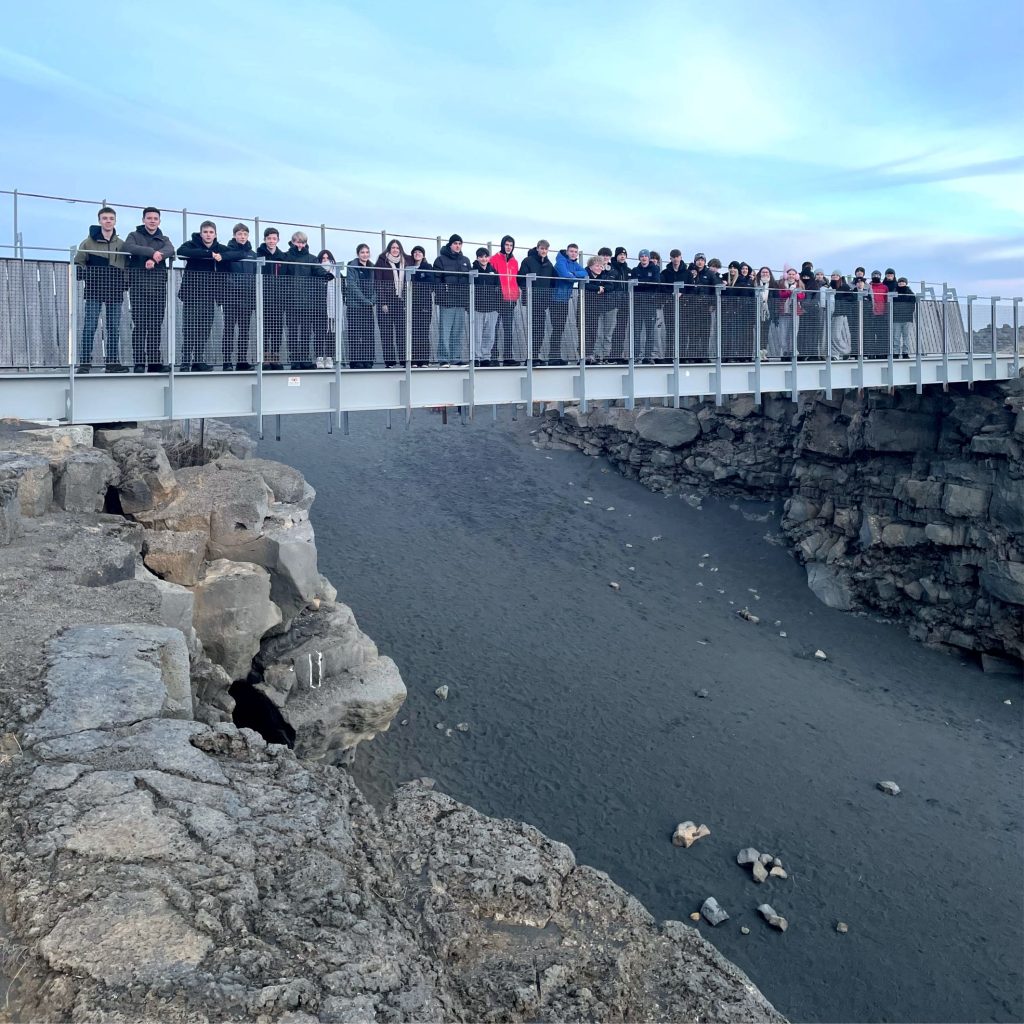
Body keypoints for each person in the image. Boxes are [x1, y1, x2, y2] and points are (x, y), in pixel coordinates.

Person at [74, 206, 127, 373]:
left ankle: (112, 363)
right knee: (90, 326)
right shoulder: (87, 242)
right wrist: (88, 276)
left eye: (111, 218)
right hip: (94, 290)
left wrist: (124, 283)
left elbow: (127, 266)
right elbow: (78, 263)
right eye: (105, 218)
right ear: (99, 221)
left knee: (113, 328)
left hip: (115, 290)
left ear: (115, 221)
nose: (108, 221)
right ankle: (84, 363)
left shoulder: (122, 244)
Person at [123, 207, 174, 373]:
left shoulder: (164, 238)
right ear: (143, 220)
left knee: (155, 326)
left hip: (158, 288)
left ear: (159, 221)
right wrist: (152, 253)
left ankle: (154, 363)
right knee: (140, 326)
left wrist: (155, 258)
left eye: (155, 218)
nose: (152, 221)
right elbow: (128, 247)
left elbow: (170, 250)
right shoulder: (134, 235)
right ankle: (139, 362)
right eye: (149, 218)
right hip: (138, 287)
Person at [176, 220, 227, 372]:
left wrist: (221, 256)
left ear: (215, 234)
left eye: (211, 232)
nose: (208, 235)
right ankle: (185, 361)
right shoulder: (192, 244)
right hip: (191, 294)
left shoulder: (219, 248)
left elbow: (236, 254)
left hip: (209, 294)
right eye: (205, 232)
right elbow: (181, 252)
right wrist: (208, 254)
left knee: (204, 329)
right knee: (189, 328)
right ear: (201, 233)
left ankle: (198, 360)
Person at [283, 231, 323, 370]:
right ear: (293, 242)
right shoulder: (286, 257)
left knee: (306, 332)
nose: (300, 245)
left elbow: (318, 270)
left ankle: (305, 358)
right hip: (291, 301)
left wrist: (327, 275)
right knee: (293, 332)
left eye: (303, 242)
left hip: (307, 302)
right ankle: (294, 359)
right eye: (298, 242)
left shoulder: (312, 258)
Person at [220, 223, 257, 370]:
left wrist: (253, 297)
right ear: (234, 235)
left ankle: (242, 361)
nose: (242, 237)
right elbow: (223, 274)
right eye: (240, 234)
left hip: (247, 299)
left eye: (245, 234)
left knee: (244, 331)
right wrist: (232, 288)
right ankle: (227, 361)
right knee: (229, 330)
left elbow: (256, 277)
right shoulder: (227, 252)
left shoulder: (253, 254)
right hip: (231, 298)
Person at [433, 234, 471, 366]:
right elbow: (437, 281)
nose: (458, 246)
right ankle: (443, 358)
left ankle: (456, 358)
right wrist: (443, 297)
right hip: (447, 302)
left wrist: (467, 300)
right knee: (445, 331)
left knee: (457, 332)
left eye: (460, 243)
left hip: (460, 302)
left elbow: (469, 281)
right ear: (450, 245)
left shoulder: (465, 260)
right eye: (455, 243)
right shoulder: (440, 260)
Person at [375, 239, 412, 367]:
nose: (395, 250)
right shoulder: (382, 261)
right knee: (386, 333)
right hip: (386, 302)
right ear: (389, 249)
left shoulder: (406, 261)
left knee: (402, 333)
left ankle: (403, 360)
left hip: (400, 301)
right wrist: (383, 302)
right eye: (393, 248)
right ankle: (389, 362)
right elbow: (378, 283)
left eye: (397, 247)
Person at [519, 240, 556, 363]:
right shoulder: (528, 261)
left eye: (546, 249)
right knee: (532, 329)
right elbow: (521, 279)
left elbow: (553, 281)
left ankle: (535, 354)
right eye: (542, 248)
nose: (544, 251)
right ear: (537, 248)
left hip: (543, 302)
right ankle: (530, 357)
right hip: (531, 300)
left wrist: (549, 296)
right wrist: (528, 292)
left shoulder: (549, 264)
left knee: (540, 329)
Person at [256, 228, 288, 369]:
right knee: (264, 328)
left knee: (277, 328)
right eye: (269, 238)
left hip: (278, 298)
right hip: (263, 298)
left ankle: (274, 358)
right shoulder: (258, 255)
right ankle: (265, 358)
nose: (271, 241)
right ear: (265, 239)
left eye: (274, 238)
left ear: (278, 240)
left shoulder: (283, 257)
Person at [552, 243, 588, 363]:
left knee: (560, 328)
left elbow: (585, 273)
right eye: (571, 251)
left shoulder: (574, 264)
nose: (573, 254)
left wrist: (573, 274)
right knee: (557, 328)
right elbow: (565, 276)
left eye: (575, 252)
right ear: (567, 252)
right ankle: (553, 356)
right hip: (556, 299)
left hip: (565, 299)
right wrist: (572, 276)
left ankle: (555, 356)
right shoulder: (560, 262)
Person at [489, 235, 521, 365]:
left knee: (508, 329)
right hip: (497, 298)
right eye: (507, 245)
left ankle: (508, 356)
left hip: (510, 299)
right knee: (494, 329)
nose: (508, 247)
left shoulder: (514, 261)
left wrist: (516, 295)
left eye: (511, 245)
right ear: (502, 245)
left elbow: (515, 279)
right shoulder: (494, 259)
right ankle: (493, 356)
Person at [346, 243, 377, 368]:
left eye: (367, 252)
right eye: (362, 252)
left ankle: (368, 359)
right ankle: (355, 361)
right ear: (358, 254)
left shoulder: (373, 267)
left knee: (368, 334)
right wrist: (365, 300)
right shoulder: (351, 266)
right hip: (355, 306)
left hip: (368, 307)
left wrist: (372, 300)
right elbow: (352, 285)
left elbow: (376, 285)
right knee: (355, 334)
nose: (365, 255)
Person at [682, 252, 717, 361]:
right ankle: (692, 356)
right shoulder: (689, 272)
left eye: (702, 260)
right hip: (692, 307)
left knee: (705, 333)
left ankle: (704, 356)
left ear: (704, 262)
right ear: (695, 261)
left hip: (705, 308)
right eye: (698, 260)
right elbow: (685, 287)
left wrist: (712, 304)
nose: (700, 262)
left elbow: (715, 289)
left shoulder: (710, 273)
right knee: (693, 333)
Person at [470, 248, 500, 365]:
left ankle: (486, 357)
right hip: (477, 308)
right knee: (477, 335)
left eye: (486, 256)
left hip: (492, 309)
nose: (484, 259)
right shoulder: (473, 271)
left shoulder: (493, 271)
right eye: (481, 256)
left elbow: (498, 288)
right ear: (477, 258)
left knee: (489, 335)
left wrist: (497, 306)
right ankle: (476, 357)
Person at [630, 249, 660, 362]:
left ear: (648, 258)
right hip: (637, 304)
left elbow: (656, 282)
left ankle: (648, 356)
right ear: (639, 258)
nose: (644, 258)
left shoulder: (655, 269)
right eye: (642, 256)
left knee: (650, 332)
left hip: (650, 304)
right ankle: (636, 355)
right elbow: (633, 284)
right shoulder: (635, 270)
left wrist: (641, 282)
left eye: (645, 256)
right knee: (636, 332)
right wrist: (647, 282)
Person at [660, 249, 689, 362]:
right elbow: (662, 287)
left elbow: (691, 288)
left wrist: (683, 294)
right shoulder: (665, 273)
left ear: (680, 257)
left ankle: (682, 356)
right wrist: (671, 293)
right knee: (670, 331)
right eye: (673, 257)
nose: (676, 259)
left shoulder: (687, 273)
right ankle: (669, 355)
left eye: (677, 257)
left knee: (683, 331)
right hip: (669, 306)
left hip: (683, 306)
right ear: (670, 258)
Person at [409, 245, 434, 366]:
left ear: (423, 255)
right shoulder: (409, 267)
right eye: (415, 252)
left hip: (425, 304)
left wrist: (418, 277)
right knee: (413, 332)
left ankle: (424, 360)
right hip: (412, 303)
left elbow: (430, 282)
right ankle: (414, 359)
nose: (417, 254)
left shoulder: (427, 267)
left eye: (420, 252)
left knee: (424, 331)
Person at [605, 246, 631, 363]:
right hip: (613, 303)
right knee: (610, 330)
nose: (622, 256)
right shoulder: (611, 268)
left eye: (624, 255)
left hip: (625, 304)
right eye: (620, 254)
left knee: (621, 329)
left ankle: (618, 354)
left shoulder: (628, 270)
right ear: (616, 256)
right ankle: (609, 355)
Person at [314, 250, 338, 368]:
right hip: (319, 308)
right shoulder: (316, 273)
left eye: (327, 258)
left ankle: (329, 358)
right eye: (323, 258)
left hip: (333, 309)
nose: (325, 260)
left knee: (331, 334)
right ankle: (319, 358)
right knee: (319, 333)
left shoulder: (337, 272)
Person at [777, 267, 806, 358]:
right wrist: (790, 291)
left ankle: (792, 350)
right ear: (786, 275)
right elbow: (781, 295)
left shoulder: (799, 285)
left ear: (796, 276)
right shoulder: (781, 284)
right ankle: (785, 351)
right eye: (789, 274)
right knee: (783, 333)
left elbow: (801, 297)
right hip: (784, 312)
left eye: (793, 274)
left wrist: (795, 292)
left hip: (795, 312)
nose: (791, 276)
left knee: (793, 332)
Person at [582, 255, 607, 361]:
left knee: (593, 331)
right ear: (590, 266)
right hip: (584, 307)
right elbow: (585, 285)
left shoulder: (602, 276)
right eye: (597, 266)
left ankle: (590, 355)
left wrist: (602, 288)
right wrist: (598, 288)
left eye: (601, 266)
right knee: (584, 331)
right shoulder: (585, 273)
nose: (599, 268)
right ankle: (583, 355)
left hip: (595, 307)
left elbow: (610, 286)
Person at [755, 267, 783, 359]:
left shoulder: (773, 285)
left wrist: (775, 313)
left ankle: (763, 352)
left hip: (767, 313)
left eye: (767, 272)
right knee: (757, 333)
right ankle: (757, 352)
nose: (765, 274)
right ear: (760, 273)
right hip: (756, 312)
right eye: (763, 272)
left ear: (770, 274)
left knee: (765, 333)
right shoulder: (755, 283)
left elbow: (776, 299)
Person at [829, 271, 854, 359]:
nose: (835, 276)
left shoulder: (844, 286)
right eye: (833, 275)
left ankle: (846, 351)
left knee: (837, 335)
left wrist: (841, 301)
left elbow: (852, 297)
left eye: (837, 275)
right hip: (831, 313)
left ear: (840, 276)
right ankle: (834, 354)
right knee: (831, 335)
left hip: (840, 313)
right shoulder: (829, 286)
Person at [867, 270, 889, 357]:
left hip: (881, 314)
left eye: (877, 275)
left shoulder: (884, 287)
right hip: (871, 314)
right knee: (871, 335)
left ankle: (881, 353)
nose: (876, 276)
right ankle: (871, 353)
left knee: (881, 334)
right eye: (874, 275)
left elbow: (887, 300)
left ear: (880, 276)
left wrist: (886, 312)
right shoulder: (868, 286)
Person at [893, 276, 917, 357]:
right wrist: (896, 312)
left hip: (907, 318)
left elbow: (912, 306)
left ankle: (905, 353)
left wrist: (906, 312)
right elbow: (892, 305)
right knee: (896, 337)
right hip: (896, 319)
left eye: (903, 282)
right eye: (899, 282)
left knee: (906, 337)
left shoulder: (910, 293)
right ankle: (895, 353)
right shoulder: (894, 293)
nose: (901, 283)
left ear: (906, 283)